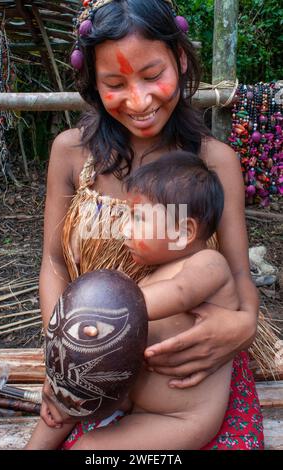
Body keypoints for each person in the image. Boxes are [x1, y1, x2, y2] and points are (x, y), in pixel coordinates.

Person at [38, 0, 264, 450]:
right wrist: (64, 354)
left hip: (186, 380)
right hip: (92, 362)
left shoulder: (215, 162)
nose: (139, 100)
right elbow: (53, 263)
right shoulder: (71, 153)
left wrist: (243, 327)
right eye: (115, 83)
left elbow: (239, 275)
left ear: (180, 61)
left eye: (152, 74)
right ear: (92, 82)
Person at [27, 152, 240, 450]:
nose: (125, 228)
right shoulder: (149, 277)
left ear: (184, 231)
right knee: (65, 405)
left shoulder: (209, 264)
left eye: (138, 217)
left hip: (179, 418)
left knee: (90, 449)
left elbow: (180, 292)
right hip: (130, 397)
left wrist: (100, 313)